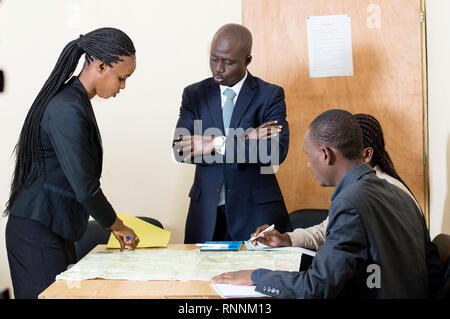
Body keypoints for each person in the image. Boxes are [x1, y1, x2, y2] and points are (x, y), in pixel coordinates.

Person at [212, 109, 442, 298]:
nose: (309, 165)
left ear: (325, 155)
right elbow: (430, 266)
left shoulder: (351, 201)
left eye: (308, 156)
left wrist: (257, 276)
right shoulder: (396, 191)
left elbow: (317, 287)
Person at [4, 27, 139, 299]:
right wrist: (116, 225)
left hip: (53, 226)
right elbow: (85, 187)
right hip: (36, 232)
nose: (122, 87)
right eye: (122, 78)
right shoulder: (67, 107)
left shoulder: (75, 101)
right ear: (101, 66)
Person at [173, 23, 292, 243]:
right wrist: (246, 139)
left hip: (256, 214)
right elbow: (181, 149)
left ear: (247, 60)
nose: (218, 68)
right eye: (214, 59)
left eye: (228, 62)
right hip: (206, 215)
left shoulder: (269, 95)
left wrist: (212, 143)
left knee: (261, 277)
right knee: (201, 277)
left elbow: (274, 151)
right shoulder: (194, 94)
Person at [250, 113, 423, 250]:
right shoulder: (361, 187)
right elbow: (327, 231)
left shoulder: (372, 193)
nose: (313, 163)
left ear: (366, 154)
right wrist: (286, 238)